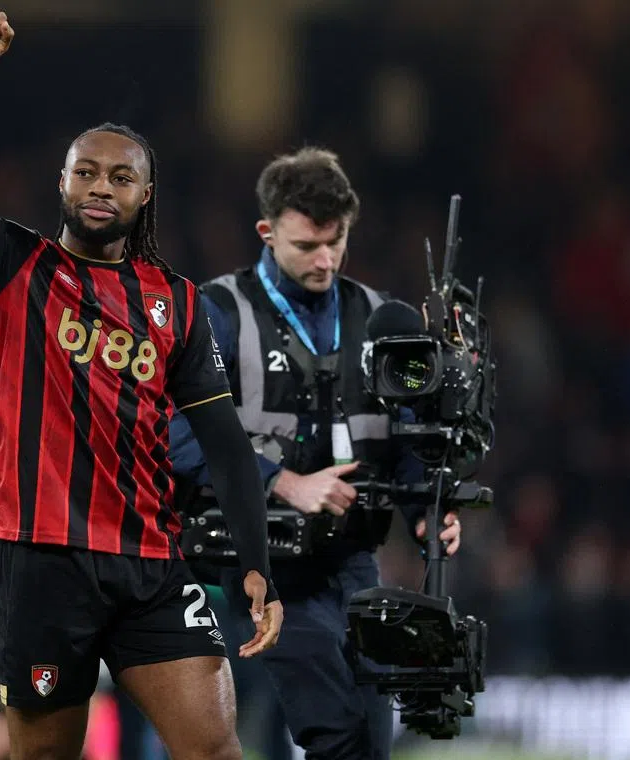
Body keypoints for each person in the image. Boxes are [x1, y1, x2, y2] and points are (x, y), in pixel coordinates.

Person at [0, 11, 283, 760]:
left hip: (151, 563)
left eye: (120, 176)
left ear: (146, 194)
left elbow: (223, 443)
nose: (100, 186)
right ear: (62, 182)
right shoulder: (10, 267)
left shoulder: (176, 303)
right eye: (85, 171)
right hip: (41, 564)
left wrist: (257, 565)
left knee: (216, 750)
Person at [169, 148, 464, 760]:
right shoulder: (218, 313)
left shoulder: (381, 318)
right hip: (263, 566)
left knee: (370, 741)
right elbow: (172, 430)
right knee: (334, 730)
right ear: (267, 231)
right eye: (307, 245)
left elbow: (409, 433)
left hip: (354, 562)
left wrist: (425, 512)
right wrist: (282, 481)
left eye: (337, 242)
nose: (325, 260)